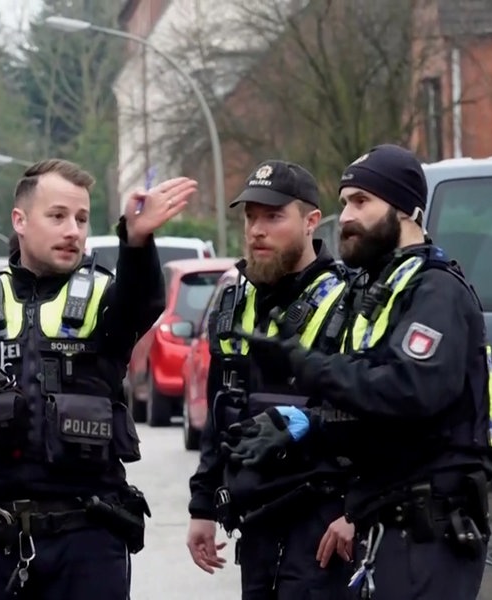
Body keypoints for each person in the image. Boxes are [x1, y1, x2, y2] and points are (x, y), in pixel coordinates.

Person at [0, 158, 194, 600]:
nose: (73, 230)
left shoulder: (104, 298)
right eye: (57, 216)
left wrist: (136, 241)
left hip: (89, 539)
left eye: (81, 218)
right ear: (20, 220)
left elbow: (142, 300)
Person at [225, 144, 492, 600]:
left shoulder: (435, 292)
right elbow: (370, 403)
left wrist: (304, 365)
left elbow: (410, 390)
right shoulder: (379, 291)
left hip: (431, 532)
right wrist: (307, 424)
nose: (348, 217)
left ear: (408, 211)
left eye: (362, 202)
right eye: (344, 203)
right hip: (387, 524)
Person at [186, 160, 356, 599]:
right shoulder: (234, 301)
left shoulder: (349, 301)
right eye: (250, 217)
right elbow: (221, 410)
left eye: (274, 216)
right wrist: (202, 506)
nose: (257, 230)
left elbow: (374, 417)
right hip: (257, 520)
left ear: (311, 222)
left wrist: (357, 510)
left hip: (324, 523)